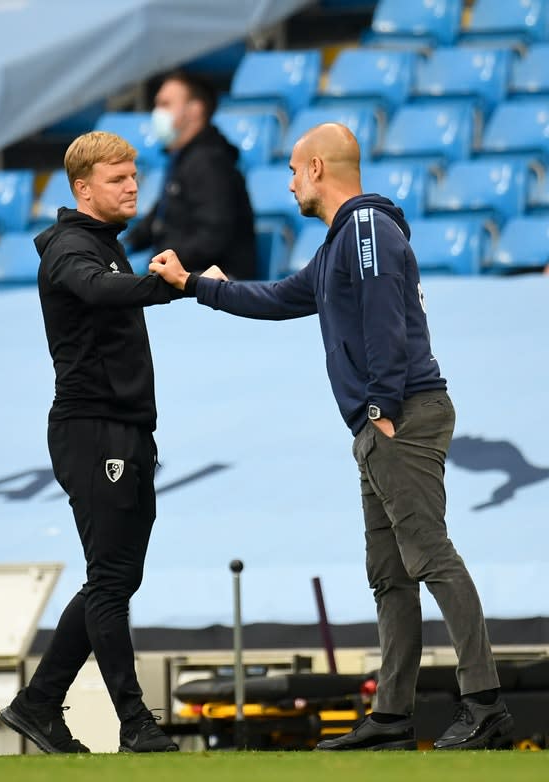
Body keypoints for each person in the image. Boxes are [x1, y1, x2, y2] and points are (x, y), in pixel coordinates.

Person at [148, 123, 515, 752]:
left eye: (294, 171)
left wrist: (379, 406)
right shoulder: (341, 242)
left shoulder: (366, 229)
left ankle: (484, 705)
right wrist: (198, 287)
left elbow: (383, 324)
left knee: (429, 555)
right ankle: (393, 718)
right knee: (390, 573)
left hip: (399, 415)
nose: (289, 184)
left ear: (317, 168)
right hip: (385, 420)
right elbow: (281, 297)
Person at [0, 130, 219, 754]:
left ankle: (38, 704)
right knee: (112, 577)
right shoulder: (71, 249)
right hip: (92, 430)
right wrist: (169, 285)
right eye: (118, 179)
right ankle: (134, 722)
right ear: (82, 188)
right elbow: (97, 290)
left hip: (123, 430)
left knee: (113, 579)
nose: (131, 187)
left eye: (133, 176)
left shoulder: (102, 245)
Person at [125, 70, 258, 280]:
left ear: (195, 110)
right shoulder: (184, 159)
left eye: (165, 104)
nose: (157, 113)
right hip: (186, 274)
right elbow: (159, 217)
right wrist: (124, 246)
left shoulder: (210, 162)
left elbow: (212, 238)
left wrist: (156, 263)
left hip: (216, 280)